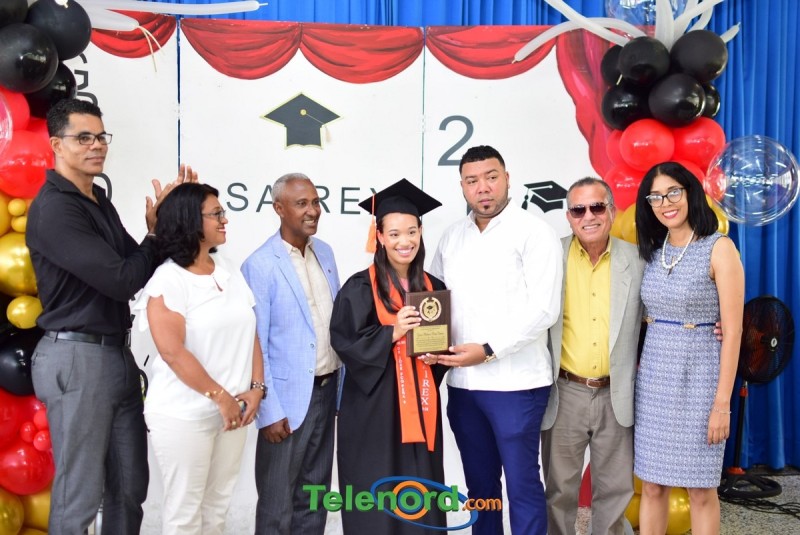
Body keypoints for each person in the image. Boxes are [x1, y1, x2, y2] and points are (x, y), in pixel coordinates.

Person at [26, 98, 196, 535]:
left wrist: (166, 222)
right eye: (83, 137)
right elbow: (122, 279)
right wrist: (154, 235)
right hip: (77, 357)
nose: (96, 145)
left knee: (129, 489)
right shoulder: (55, 208)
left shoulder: (96, 198)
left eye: (101, 136)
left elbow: (139, 265)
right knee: (79, 497)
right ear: (56, 145)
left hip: (115, 355)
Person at [431, 145, 562, 534]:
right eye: (472, 181)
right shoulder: (452, 238)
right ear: (462, 186)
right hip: (463, 386)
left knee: (522, 486)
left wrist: (487, 350)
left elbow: (543, 310)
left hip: (516, 386)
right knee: (480, 489)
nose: (483, 188)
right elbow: (435, 300)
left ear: (507, 178)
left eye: (491, 177)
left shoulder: (534, 232)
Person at [134, 183, 265, 534]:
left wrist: (256, 388)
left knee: (217, 509)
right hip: (184, 415)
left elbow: (250, 330)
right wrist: (220, 397)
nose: (225, 219)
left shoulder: (227, 268)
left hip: (234, 411)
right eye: (216, 213)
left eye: (223, 212)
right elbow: (172, 352)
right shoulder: (168, 279)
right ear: (190, 220)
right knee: (185, 515)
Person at [330, 178, 449, 534]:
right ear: (379, 236)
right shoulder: (359, 287)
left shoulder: (433, 288)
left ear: (421, 232)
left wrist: (436, 357)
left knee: (420, 490)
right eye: (394, 234)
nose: (404, 241)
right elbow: (344, 342)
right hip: (373, 411)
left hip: (422, 406)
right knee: (376, 489)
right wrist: (392, 332)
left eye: (411, 232)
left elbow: (440, 346)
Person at [633, 161, 744, 535]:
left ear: (690, 192)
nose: (665, 203)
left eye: (673, 193)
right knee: (652, 485)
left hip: (700, 379)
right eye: (655, 197)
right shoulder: (653, 250)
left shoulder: (719, 248)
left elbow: (734, 332)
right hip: (654, 380)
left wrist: (722, 404)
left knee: (700, 489)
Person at [540, 177, 644, 535]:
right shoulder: (550, 257)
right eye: (578, 209)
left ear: (611, 211)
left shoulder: (638, 259)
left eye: (597, 207)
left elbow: (660, 314)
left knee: (615, 492)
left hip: (617, 393)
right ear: (568, 217)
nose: (589, 216)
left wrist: (708, 325)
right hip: (564, 392)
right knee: (558, 492)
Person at [241, 173, 341, 535]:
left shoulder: (325, 252)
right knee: (276, 506)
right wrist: (268, 410)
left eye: (315, 202)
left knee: (314, 499)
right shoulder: (260, 265)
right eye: (301, 204)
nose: (312, 210)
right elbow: (256, 342)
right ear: (279, 209)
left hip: (326, 393)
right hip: (284, 403)